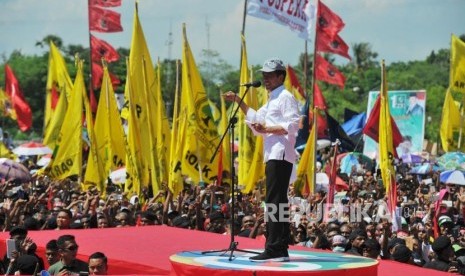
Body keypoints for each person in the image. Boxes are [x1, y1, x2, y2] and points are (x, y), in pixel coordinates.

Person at [223, 58, 300, 262]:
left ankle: (275, 247)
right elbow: (257, 117)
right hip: (273, 153)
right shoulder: (273, 98)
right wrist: (239, 101)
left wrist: (267, 129)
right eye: (264, 75)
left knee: (274, 201)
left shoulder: (285, 97)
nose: (265, 78)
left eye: (270, 75)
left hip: (280, 152)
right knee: (277, 201)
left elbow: (293, 124)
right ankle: (279, 247)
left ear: (280, 76)